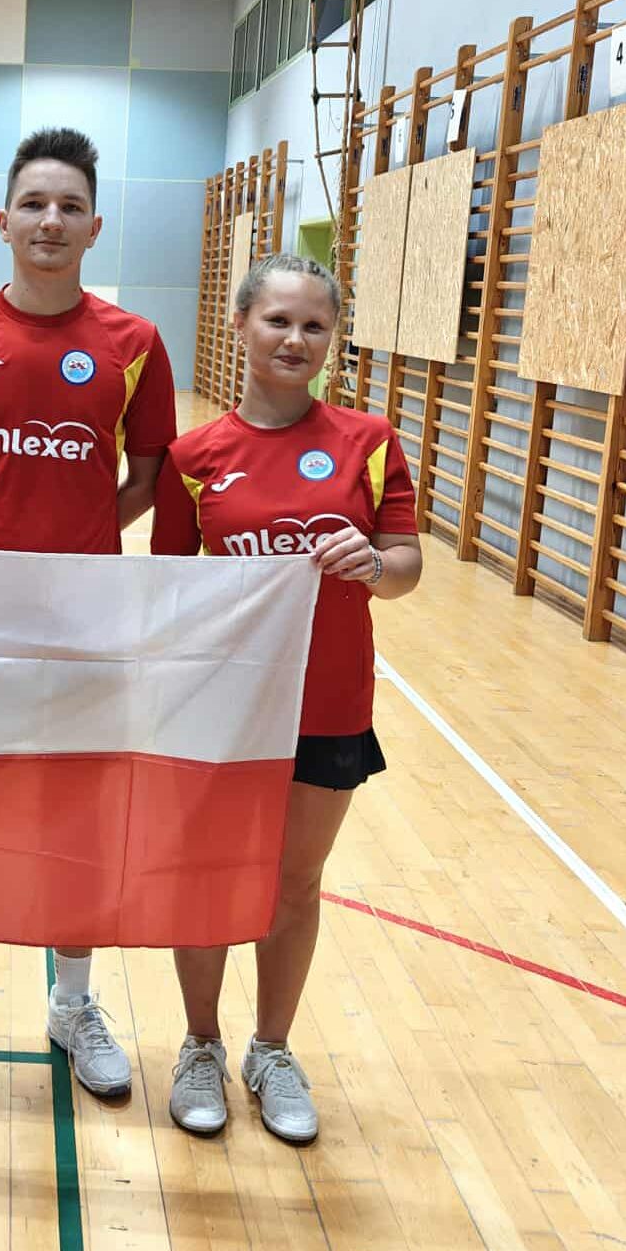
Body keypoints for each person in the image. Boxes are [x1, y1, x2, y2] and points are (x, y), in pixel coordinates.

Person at [0, 126, 176, 1103]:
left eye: (69, 207)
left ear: (94, 227)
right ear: (3, 220)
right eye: (34, 204)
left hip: (86, 624)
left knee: (73, 819)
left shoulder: (136, 344)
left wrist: (77, 546)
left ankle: (73, 1004)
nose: (50, 220)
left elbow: (146, 475)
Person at [151, 252, 423, 1144]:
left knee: (295, 882)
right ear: (240, 325)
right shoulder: (194, 457)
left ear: (332, 338)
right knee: (207, 877)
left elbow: (406, 564)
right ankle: (200, 1044)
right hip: (220, 709)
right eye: (277, 320)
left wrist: (373, 564)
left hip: (328, 703)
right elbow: (167, 589)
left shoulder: (369, 442)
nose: (295, 338)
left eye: (314, 325)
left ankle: (270, 1050)